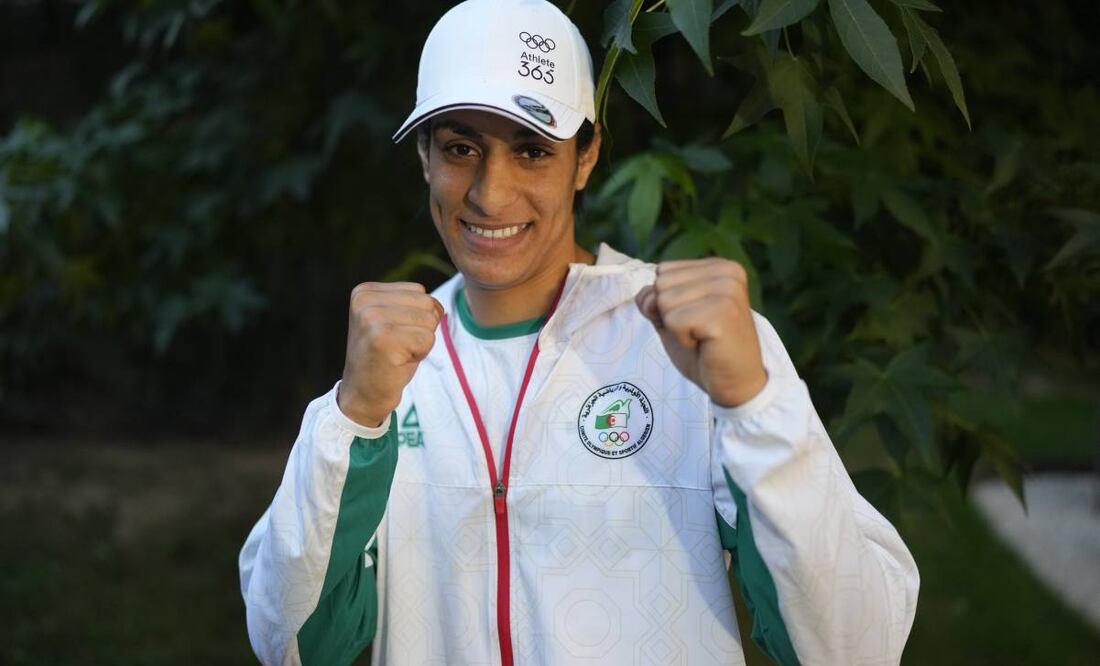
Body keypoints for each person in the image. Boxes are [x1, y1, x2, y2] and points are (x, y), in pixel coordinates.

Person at [238, 0, 920, 664]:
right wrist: (351, 417)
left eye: (532, 150)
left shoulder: (695, 346)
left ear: (587, 156)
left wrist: (754, 404)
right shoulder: (388, 369)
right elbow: (291, 643)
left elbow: (854, 648)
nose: (489, 194)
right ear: (424, 156)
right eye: (460, 148)